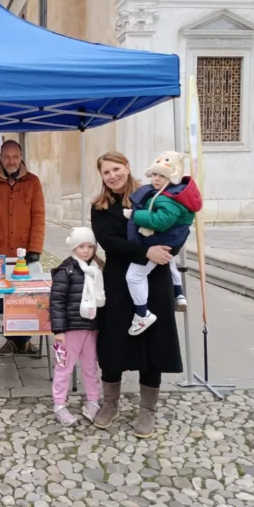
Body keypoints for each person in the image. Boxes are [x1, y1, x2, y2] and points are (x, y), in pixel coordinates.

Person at [90, 151, 183, 439]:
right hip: (118, 279)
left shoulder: (153, 195)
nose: (113, 176)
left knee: (152, 344)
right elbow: (109, 242)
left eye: (116, 169)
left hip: (154, 277)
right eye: (106, 172)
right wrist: (145, 250)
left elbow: (176, 227)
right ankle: (111, 404)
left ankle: (148, 410)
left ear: (128, 168)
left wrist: (166, 251)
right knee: (113, 343)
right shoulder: (100, 207)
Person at [122, 151, 201, 335]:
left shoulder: (168, 198)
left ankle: (143, 314)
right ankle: (179, 293)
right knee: (170, 260)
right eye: (155, 174)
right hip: (170, 241)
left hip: (160, 241)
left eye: (162, 175)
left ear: (172, 177)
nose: (156, 179)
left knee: (134, 276)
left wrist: (134, 215)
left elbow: (161, 221)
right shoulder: (173, 194)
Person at [0, 140, 45, 355]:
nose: (11, 161)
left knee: (26, 298)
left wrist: (35, 249)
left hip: (25, 252)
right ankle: (9, 338)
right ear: (0, 156)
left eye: (15, 156)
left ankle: (24, 340)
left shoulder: (33, 182)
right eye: (7, 157)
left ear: (21, 156)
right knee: (3, 297)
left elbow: (39, 217)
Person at [49, 227, 105, 426]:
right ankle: (59, 404)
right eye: (81, 246)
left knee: (91, 366)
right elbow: (56, 301)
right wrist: (59, 330)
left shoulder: (96, 270)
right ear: (74, 247)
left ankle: (93, 399)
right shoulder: (66, 271)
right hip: (71, 329)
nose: (86, 250)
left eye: (90, 246)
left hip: (91, 328)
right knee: (64, 367)